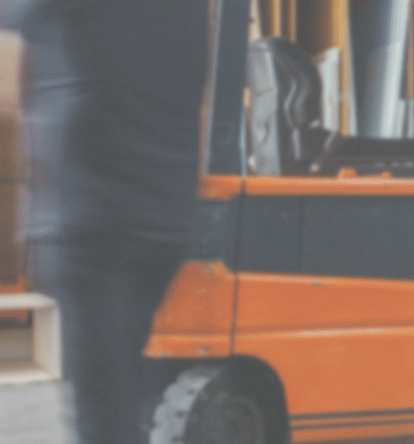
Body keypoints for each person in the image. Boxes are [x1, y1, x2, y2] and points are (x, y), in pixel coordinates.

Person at [1, 1, 210, 443]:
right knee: (124, 402)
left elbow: (5, 79)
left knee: (104, 421)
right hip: (162, 215)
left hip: (92, 218)